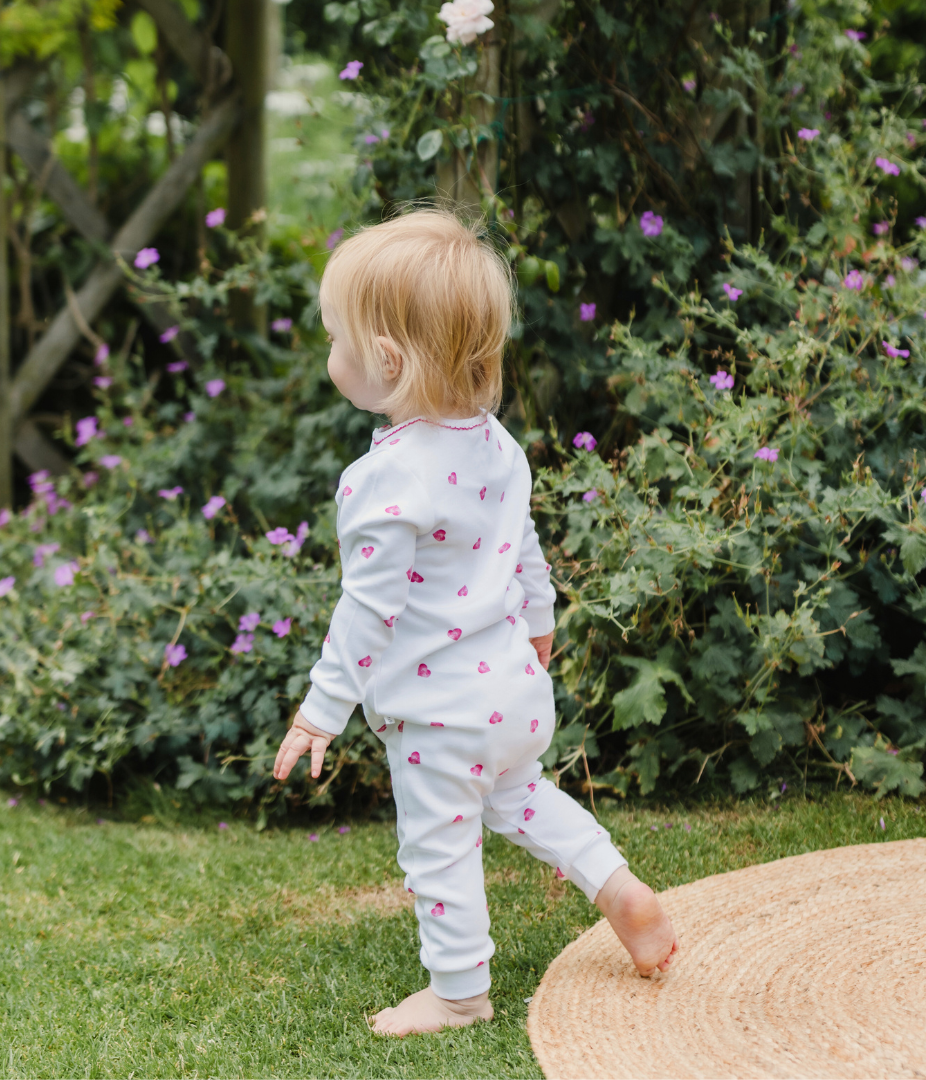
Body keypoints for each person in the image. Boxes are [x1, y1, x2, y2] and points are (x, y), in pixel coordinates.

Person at [272, 208, 678, 1037]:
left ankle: (458, 992)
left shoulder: (382, 480)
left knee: (439, 851)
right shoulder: (496, 444)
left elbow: (369, 608)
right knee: (524, 796)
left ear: (384, 360)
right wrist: (538, 617)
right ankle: (618, 888)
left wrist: (322, 708)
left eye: (336, 340)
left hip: (439, 717)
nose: (330, 355)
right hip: (515, 693)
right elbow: (522, 545)